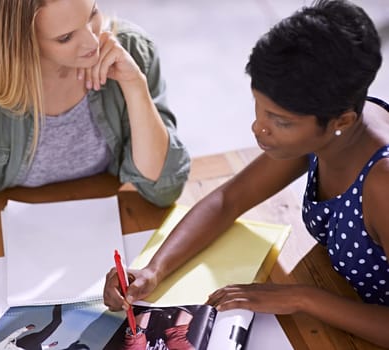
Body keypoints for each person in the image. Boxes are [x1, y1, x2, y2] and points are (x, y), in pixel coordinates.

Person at [103, 0, 389, 347]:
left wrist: (302, 298)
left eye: (280, 121)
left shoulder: (382, 183)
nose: (258, 128)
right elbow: (229, 199)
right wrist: (154, 269)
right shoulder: (330, 131)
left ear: (341, 121)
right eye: (260, 108)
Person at [0, 0, 190, 298]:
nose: (92, 42)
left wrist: (134, 84)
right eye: (65, 37)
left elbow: (162, 188)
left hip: (89, 240)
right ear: (22, 41)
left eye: (92, 15)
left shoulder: (130, 50)